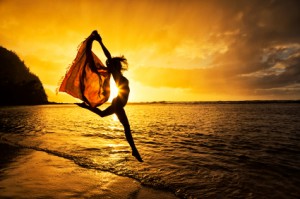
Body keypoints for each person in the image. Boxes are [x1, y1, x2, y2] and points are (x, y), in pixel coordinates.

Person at [77, 31, 143, 162]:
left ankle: (85, 106)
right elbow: (109, 56)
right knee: (126, 127)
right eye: (112, 64)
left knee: (106, 116)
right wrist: (100, 42)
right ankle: (134, 150)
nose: (111, 64)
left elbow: (110, 59)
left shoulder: (119, 75)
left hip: (118, 103)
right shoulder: (116, 75)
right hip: (118, 103)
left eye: (113, 64)